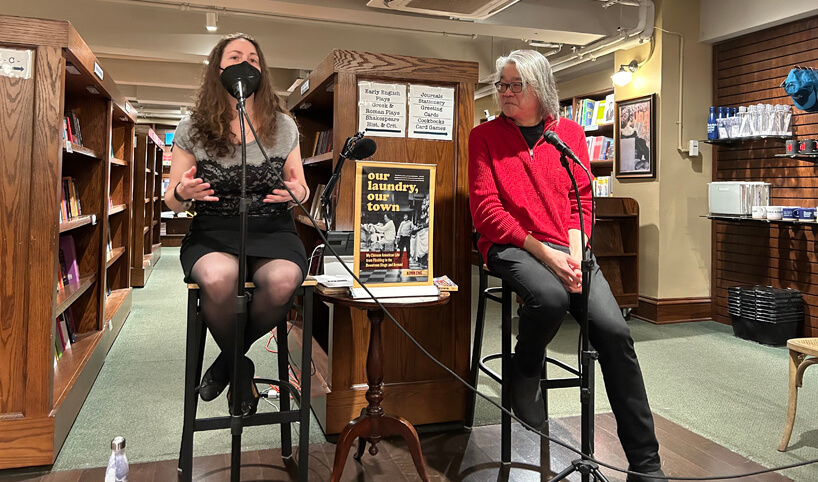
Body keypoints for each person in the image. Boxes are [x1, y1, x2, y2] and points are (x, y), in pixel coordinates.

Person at [468, 50, 665, 482]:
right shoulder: (483, 137)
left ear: (540, 88)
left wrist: (574, 257)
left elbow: (581, 200)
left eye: (515, 85)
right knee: (550, 297)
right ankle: (525, 366)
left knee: (614, 333)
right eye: (502, 84)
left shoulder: (570, 134)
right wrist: (548, 255)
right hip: (513, 243)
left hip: (570, 247)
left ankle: (646, 465)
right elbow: (486, 212)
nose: (505, 92)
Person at [165, 33, 309, 418]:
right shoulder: (192, 127)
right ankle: (240, 366)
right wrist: (182, 191)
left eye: (253, 59)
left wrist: (297, 193)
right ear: (218, 69)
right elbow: (171, 201)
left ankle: (229, 361)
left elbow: (301, 188)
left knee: (283, 281)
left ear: (262, 72)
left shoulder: (284, 126)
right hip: (213, 231)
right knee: (217, 278)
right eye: (234, 57)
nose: (245, 64)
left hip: (273, 230)